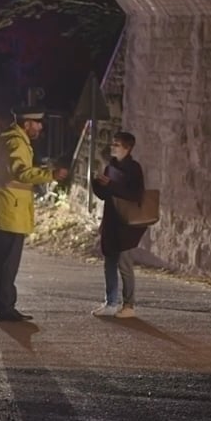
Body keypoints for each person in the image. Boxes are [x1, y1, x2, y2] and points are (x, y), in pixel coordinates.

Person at [0, 107, 69, 321]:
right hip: (10, 209)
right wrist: (50, 174)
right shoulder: (16, 142)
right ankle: (5, 307)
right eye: (37, 123)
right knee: (7, 263)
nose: (40, 127)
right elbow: (21, 172)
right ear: (26, 124)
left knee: (0, 262)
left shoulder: (7, 139)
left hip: (3, 209)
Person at [90, 131, 147, 318]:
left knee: (124, 264)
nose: (112, 147)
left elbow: (135, 195)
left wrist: (112, 185)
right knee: (110, 263)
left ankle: (129, 305)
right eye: (112, 143)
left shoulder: (133, 168)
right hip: (112, 220)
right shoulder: (111, 166)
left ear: (127, 148)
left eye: (117, 144)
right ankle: (111, 302)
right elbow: (106, 195)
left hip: (127, 224)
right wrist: (97, 184)